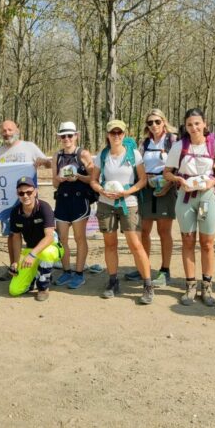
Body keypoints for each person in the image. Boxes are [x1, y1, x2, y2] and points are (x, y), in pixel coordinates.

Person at [163, 108, 215, 307]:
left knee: (207, 243)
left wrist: (213, 181)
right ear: (186, 126)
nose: (194, 128)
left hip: (207, 196)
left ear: (204, 123)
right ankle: (190, 285)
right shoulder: (179, 146)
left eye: (197, 123)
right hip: (186, 196)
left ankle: (207, 286)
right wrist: (178, 180)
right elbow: (167, 172)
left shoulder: (214, 146)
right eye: (190, 124)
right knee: (187, 240)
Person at [90, 119, 153, 304]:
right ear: (108, 135)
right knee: (110, 244)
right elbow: (93, 180)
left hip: (129, 203)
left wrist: (127, 192)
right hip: (106, 203)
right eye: (113, 133)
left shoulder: (134, 154)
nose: (116, 136)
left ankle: (148, 284)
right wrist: (101, 190)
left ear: (124, 134)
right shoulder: (102, 155)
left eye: (119, 133)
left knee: (135, 244)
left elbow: (143, 180)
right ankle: (112, 281)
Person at [0, 119, 52, 281]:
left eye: (10, 129)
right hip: (7, 201)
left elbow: (49, 165)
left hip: (28, 199)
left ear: (17, 130)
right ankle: (13, 266)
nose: (7, 133)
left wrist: (43, 161)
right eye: (4, 130)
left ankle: (39, 268)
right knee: (12, 234)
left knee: (37, 233)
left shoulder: (29, 147)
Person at [127, 109, 178, 288]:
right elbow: (138, 165)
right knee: (144, 230)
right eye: (150, 122)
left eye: (157, 121)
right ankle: (144, 266)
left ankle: (165, 270)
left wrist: (168, 185)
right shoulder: (144, 143)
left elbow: (178, 165)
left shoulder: (173, 140)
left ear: (164, 122)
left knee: (164, 231)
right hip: (146, 189)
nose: (154, 125)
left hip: (167, 187)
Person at [51, 121, 94, 290]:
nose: (66, 139)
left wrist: (79, 177)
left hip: (79, 201)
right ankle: (66, 271)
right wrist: (59, 179)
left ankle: (79, 273)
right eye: (63, 136)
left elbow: (93, 178)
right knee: (62, 239)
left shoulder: (83, 154)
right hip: (62, 200)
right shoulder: (57, 156)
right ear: (59, 138)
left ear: (76, 136)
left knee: (79, 238)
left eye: (70, 135)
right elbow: (54, 183)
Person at [8, 177, 63, 302]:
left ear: (35, 192)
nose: (25, 196)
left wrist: (32, 255)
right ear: (17, 194)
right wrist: (15, 262)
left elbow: (49, 237)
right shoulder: (15, 212)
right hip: (31, 249)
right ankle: (34, 278)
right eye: (21, 193)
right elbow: (16, 238)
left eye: (29, 192)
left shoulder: (44, 207)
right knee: (14, 290)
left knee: (45, 253)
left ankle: (43, 287)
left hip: (52, 247)